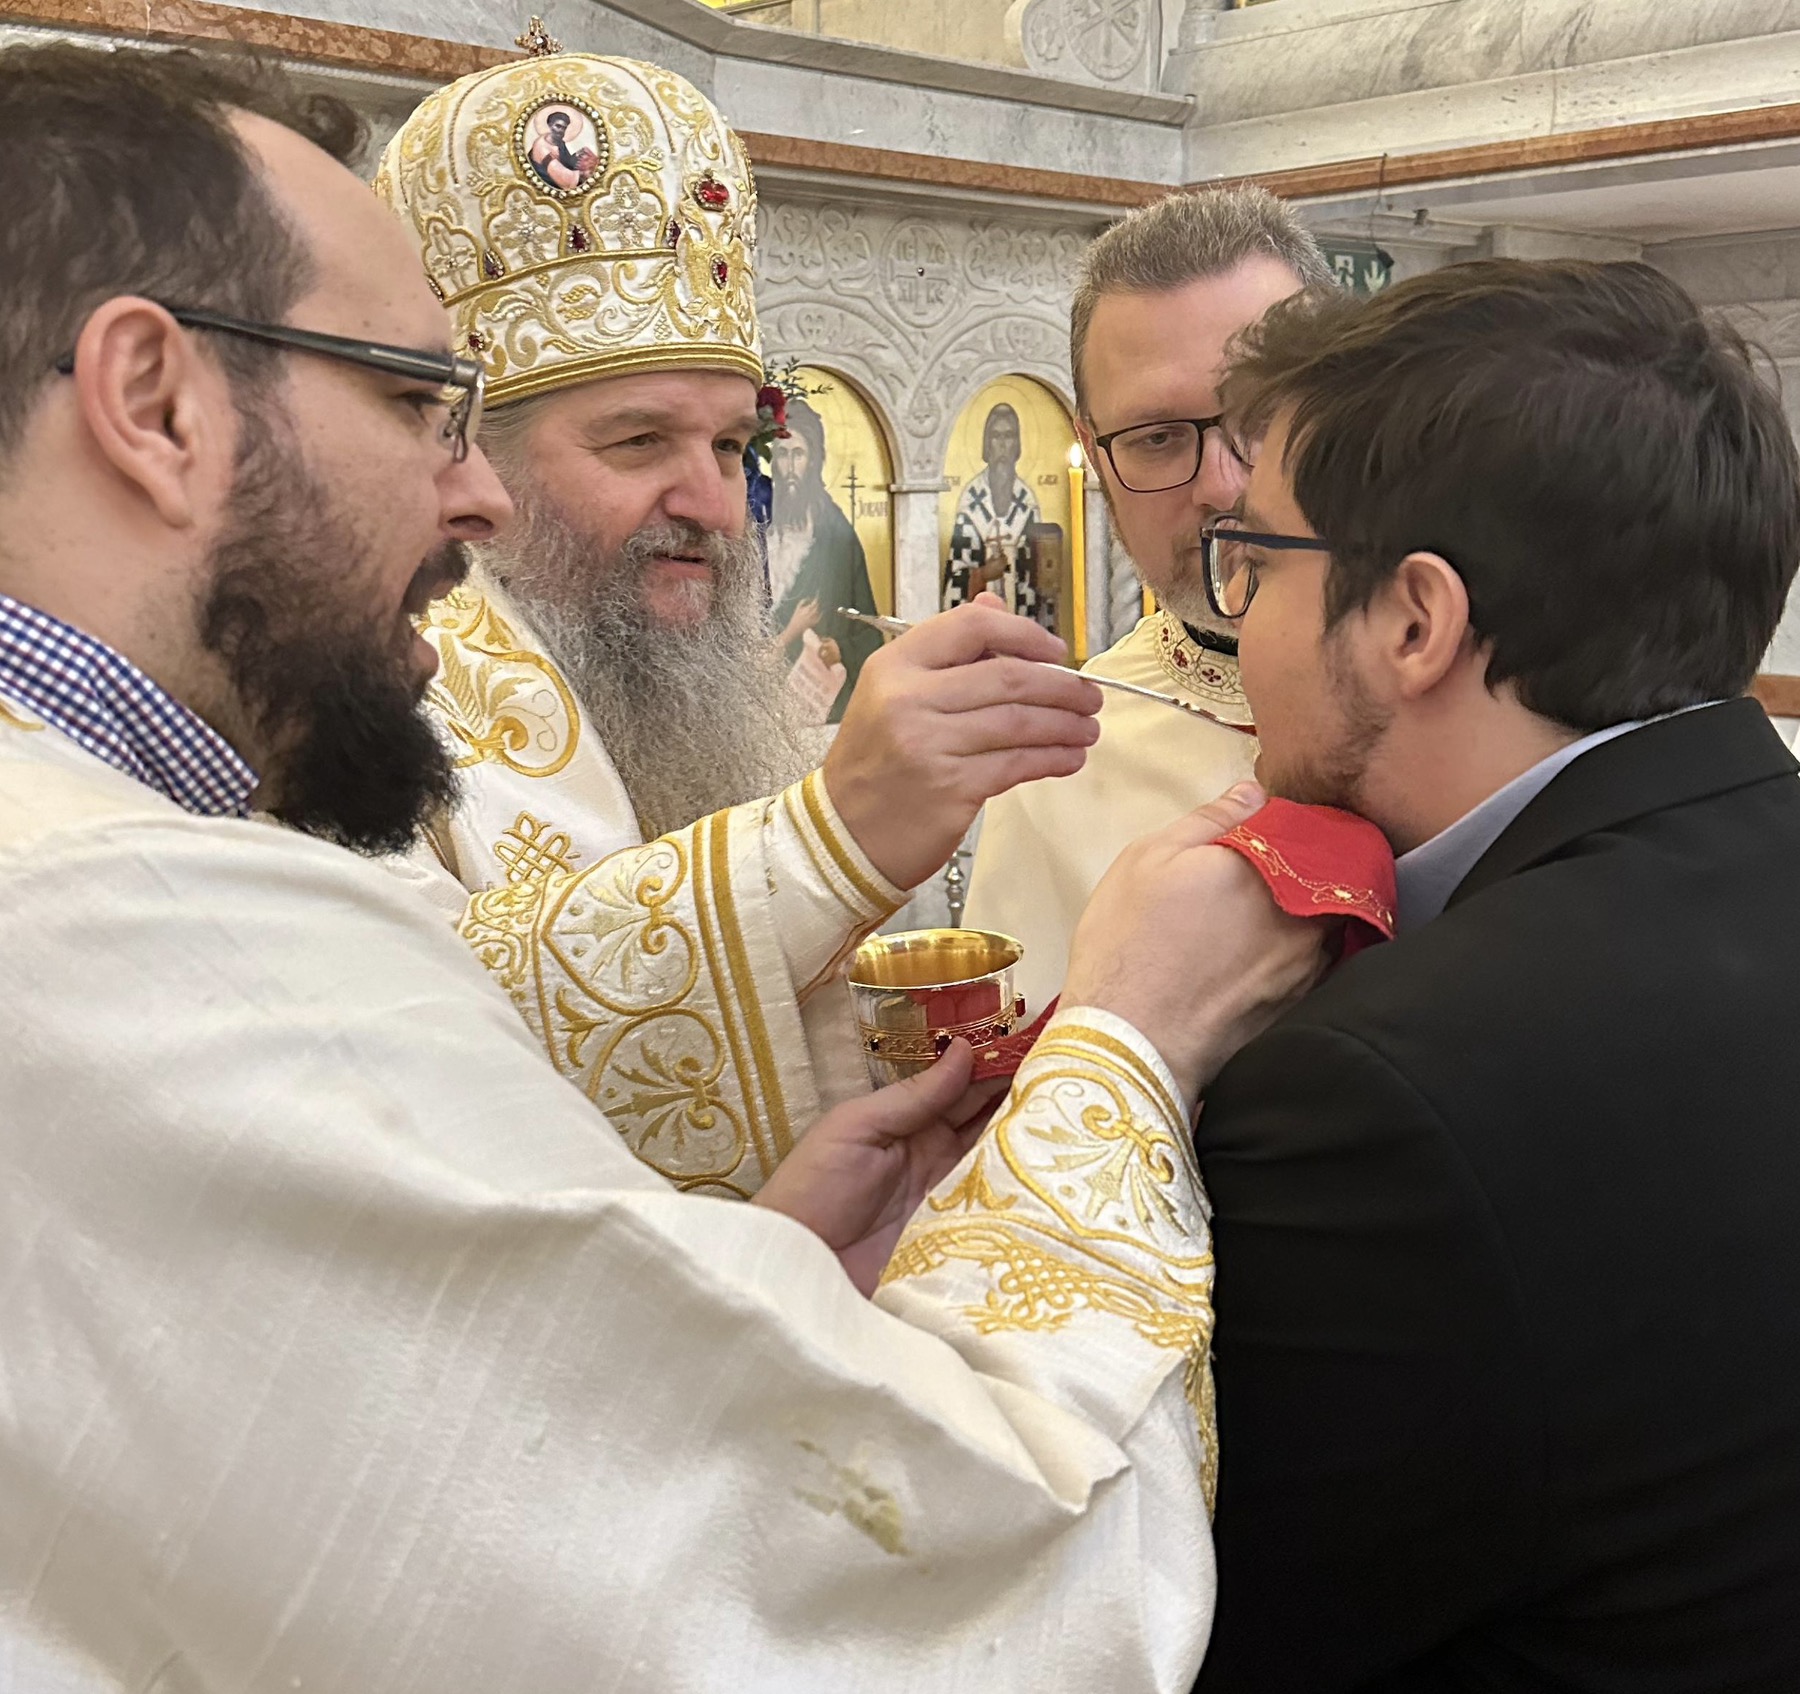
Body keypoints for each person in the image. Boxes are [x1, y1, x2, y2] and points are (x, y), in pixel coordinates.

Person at [0, 44, 1329, 1691]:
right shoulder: (118, 924)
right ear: (153, 402)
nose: (467, 493)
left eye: (734, 439)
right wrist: (1127, 1042)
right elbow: (893, 1576)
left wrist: (756, 1254)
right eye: (417, 404)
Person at [1184, 260, 1800, 1689]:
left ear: (1415, 620)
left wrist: (1118, 1046)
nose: (1235, 624)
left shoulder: (1373, 1098)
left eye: (1255, 560)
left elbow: (1183, 1635)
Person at [373, 50, 1002, 1185]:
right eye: (639, 441)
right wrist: (827, 842)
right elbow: (416, 1047)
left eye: (730, 445)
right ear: (470, 459)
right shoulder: (355, 705)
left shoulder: (698, 685)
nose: (715, 506)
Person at [966, 190, 1331, 1017]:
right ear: (1094, 456)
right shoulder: (1059, 771)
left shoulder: (1485, 693)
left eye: (1263, 416)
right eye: (1158, 438)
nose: (1223, 487)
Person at [767, 396, 881, 722]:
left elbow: (869, 630)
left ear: (813, 461)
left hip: (817, 701)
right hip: (760, 698)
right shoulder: (758, 521)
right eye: (782, 455)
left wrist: (841, 649)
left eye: (798, 454)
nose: (790, 468)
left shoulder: (835, 534)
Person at [942, 401, 1048, 624]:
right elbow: (955, 577)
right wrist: (982, 575)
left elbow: (1039, 577)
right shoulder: (971, 501)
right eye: (995, 436)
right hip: (976, 628)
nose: (1001, 445)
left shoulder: (1027, 502)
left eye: (1008, 436)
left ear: (1017, 445)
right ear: (986, 445)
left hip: (1021, 624)